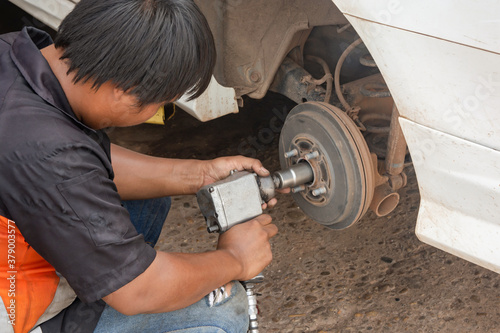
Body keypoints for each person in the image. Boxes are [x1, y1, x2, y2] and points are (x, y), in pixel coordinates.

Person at [0, 0, 278, 332]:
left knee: (147, 199)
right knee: (220, 313)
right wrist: (237, 259)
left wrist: (200, 174)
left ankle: (95, 268)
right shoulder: (48, 153)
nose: (156, 112)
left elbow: (79, 162)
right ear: (126, 93)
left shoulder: (16, 54)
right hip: (13, 305)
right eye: (161, 104)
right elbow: (137, 290)